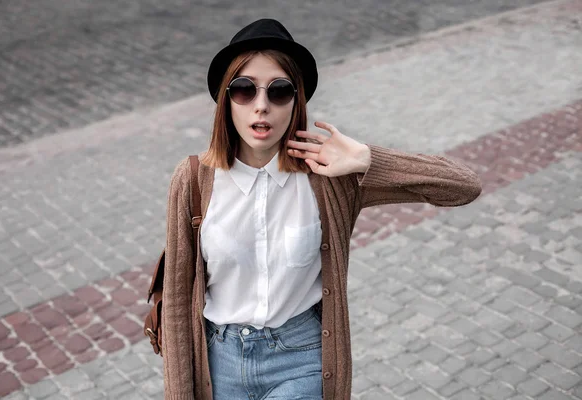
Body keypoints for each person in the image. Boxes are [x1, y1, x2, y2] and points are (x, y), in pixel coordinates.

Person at [161, 18, 482, 400]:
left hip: (302, 360)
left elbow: (463, 186)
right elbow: (178, 303)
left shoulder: (329, 177)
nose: (261, 106)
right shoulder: (195, 179)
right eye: (244, 89)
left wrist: (366, 158)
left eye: (279, 91)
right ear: (225, 100)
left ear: (297, 100)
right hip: (219, 363)